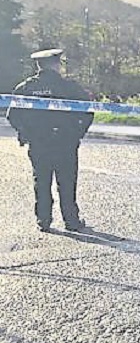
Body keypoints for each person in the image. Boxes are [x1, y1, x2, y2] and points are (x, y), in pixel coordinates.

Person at [6, 49, 94, 232]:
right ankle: (71, 221)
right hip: (65, 142)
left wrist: (27, 134)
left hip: (39, 144)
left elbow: (12, 115)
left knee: (42, 182)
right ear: (56, 64)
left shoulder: (26, 88)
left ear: (38, 66)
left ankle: (43, 220)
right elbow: (88, 110)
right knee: (67, 182)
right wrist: (78, 133)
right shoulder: (69, 87)